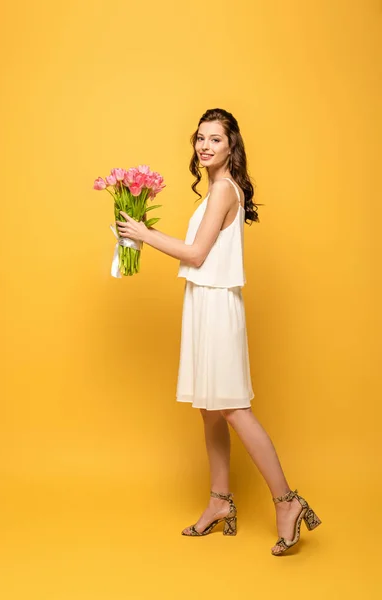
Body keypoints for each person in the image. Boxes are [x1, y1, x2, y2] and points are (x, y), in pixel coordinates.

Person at [115, 107, 321, 555]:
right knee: (209, 409)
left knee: (232, 408)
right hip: (201, 302)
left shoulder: (225, 189)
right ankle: (219, 501)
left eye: (215, 139)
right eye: (200, 138)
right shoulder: (214, 190)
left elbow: (195, 253)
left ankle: (287, 501)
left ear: (232, 147)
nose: (205, 146)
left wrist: (142, 233)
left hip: (218, 306)